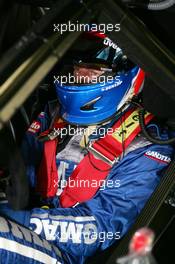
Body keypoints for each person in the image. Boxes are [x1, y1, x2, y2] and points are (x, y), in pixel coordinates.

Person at [0, 31, 174, 264]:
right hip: (23, 222)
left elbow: (97, 229)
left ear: (126, 74)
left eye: (93, 71)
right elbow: (18, 178)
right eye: (78, 70)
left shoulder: (146, 144)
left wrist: (17, 218)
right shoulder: (52, 115)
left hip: (68, 253)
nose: (81, 77)